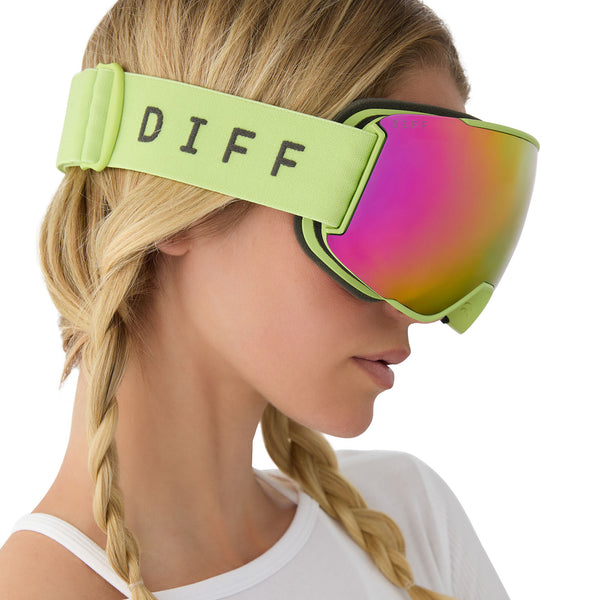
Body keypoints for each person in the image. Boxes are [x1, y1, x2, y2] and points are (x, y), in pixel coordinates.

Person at [0, 0, 538, 599]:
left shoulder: (409, 518)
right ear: (176, 199)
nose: (413, 309)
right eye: (379, 221)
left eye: (438, 237)